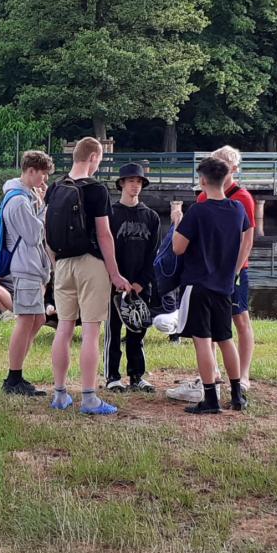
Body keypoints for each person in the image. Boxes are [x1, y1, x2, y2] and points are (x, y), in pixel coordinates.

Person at [47, 137, 130, 416]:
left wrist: (56, 264)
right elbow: (104, 235)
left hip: (62, 264)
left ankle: (60, 394)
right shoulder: (96, 189)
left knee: (64, 328)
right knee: (92, 331)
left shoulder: (55, 187)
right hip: (90, 264)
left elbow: (46, 232)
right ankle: (89, 397)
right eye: (100, 160)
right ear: (94, 157)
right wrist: (115, 273)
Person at [167, 146, 256, 402]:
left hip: (198, 283)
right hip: (224, 284)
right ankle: (237, 395)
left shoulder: (198, 210)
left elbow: (178, 247)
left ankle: (210, 398)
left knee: (203, 340)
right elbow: (245, 239)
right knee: (226, 338)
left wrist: (177, 222)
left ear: (203, 181)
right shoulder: (237, 209)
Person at [0, 150, 55, 396]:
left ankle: (17, 373)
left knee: (38, 319)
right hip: (25, 266)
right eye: (42, 174)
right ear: (31, 171)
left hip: (30, 266)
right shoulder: (19, 201)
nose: (44, 180)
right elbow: (33, 236)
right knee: (25, 320)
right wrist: (44, 209)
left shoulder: (24, 197)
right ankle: (13, 378)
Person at [104, 162, 162, 393]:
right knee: (113, 330)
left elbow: (153, 254)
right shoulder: (111, 214)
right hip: (115, 284)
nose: (135, 186)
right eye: (131, 181)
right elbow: (104, 250)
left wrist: (141, 282)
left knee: (137, 330)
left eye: (138, 182)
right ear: (121, 184)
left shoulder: (151, 217)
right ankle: (112, 376)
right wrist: (115, 278)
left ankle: (137, 376)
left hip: (140, 285)